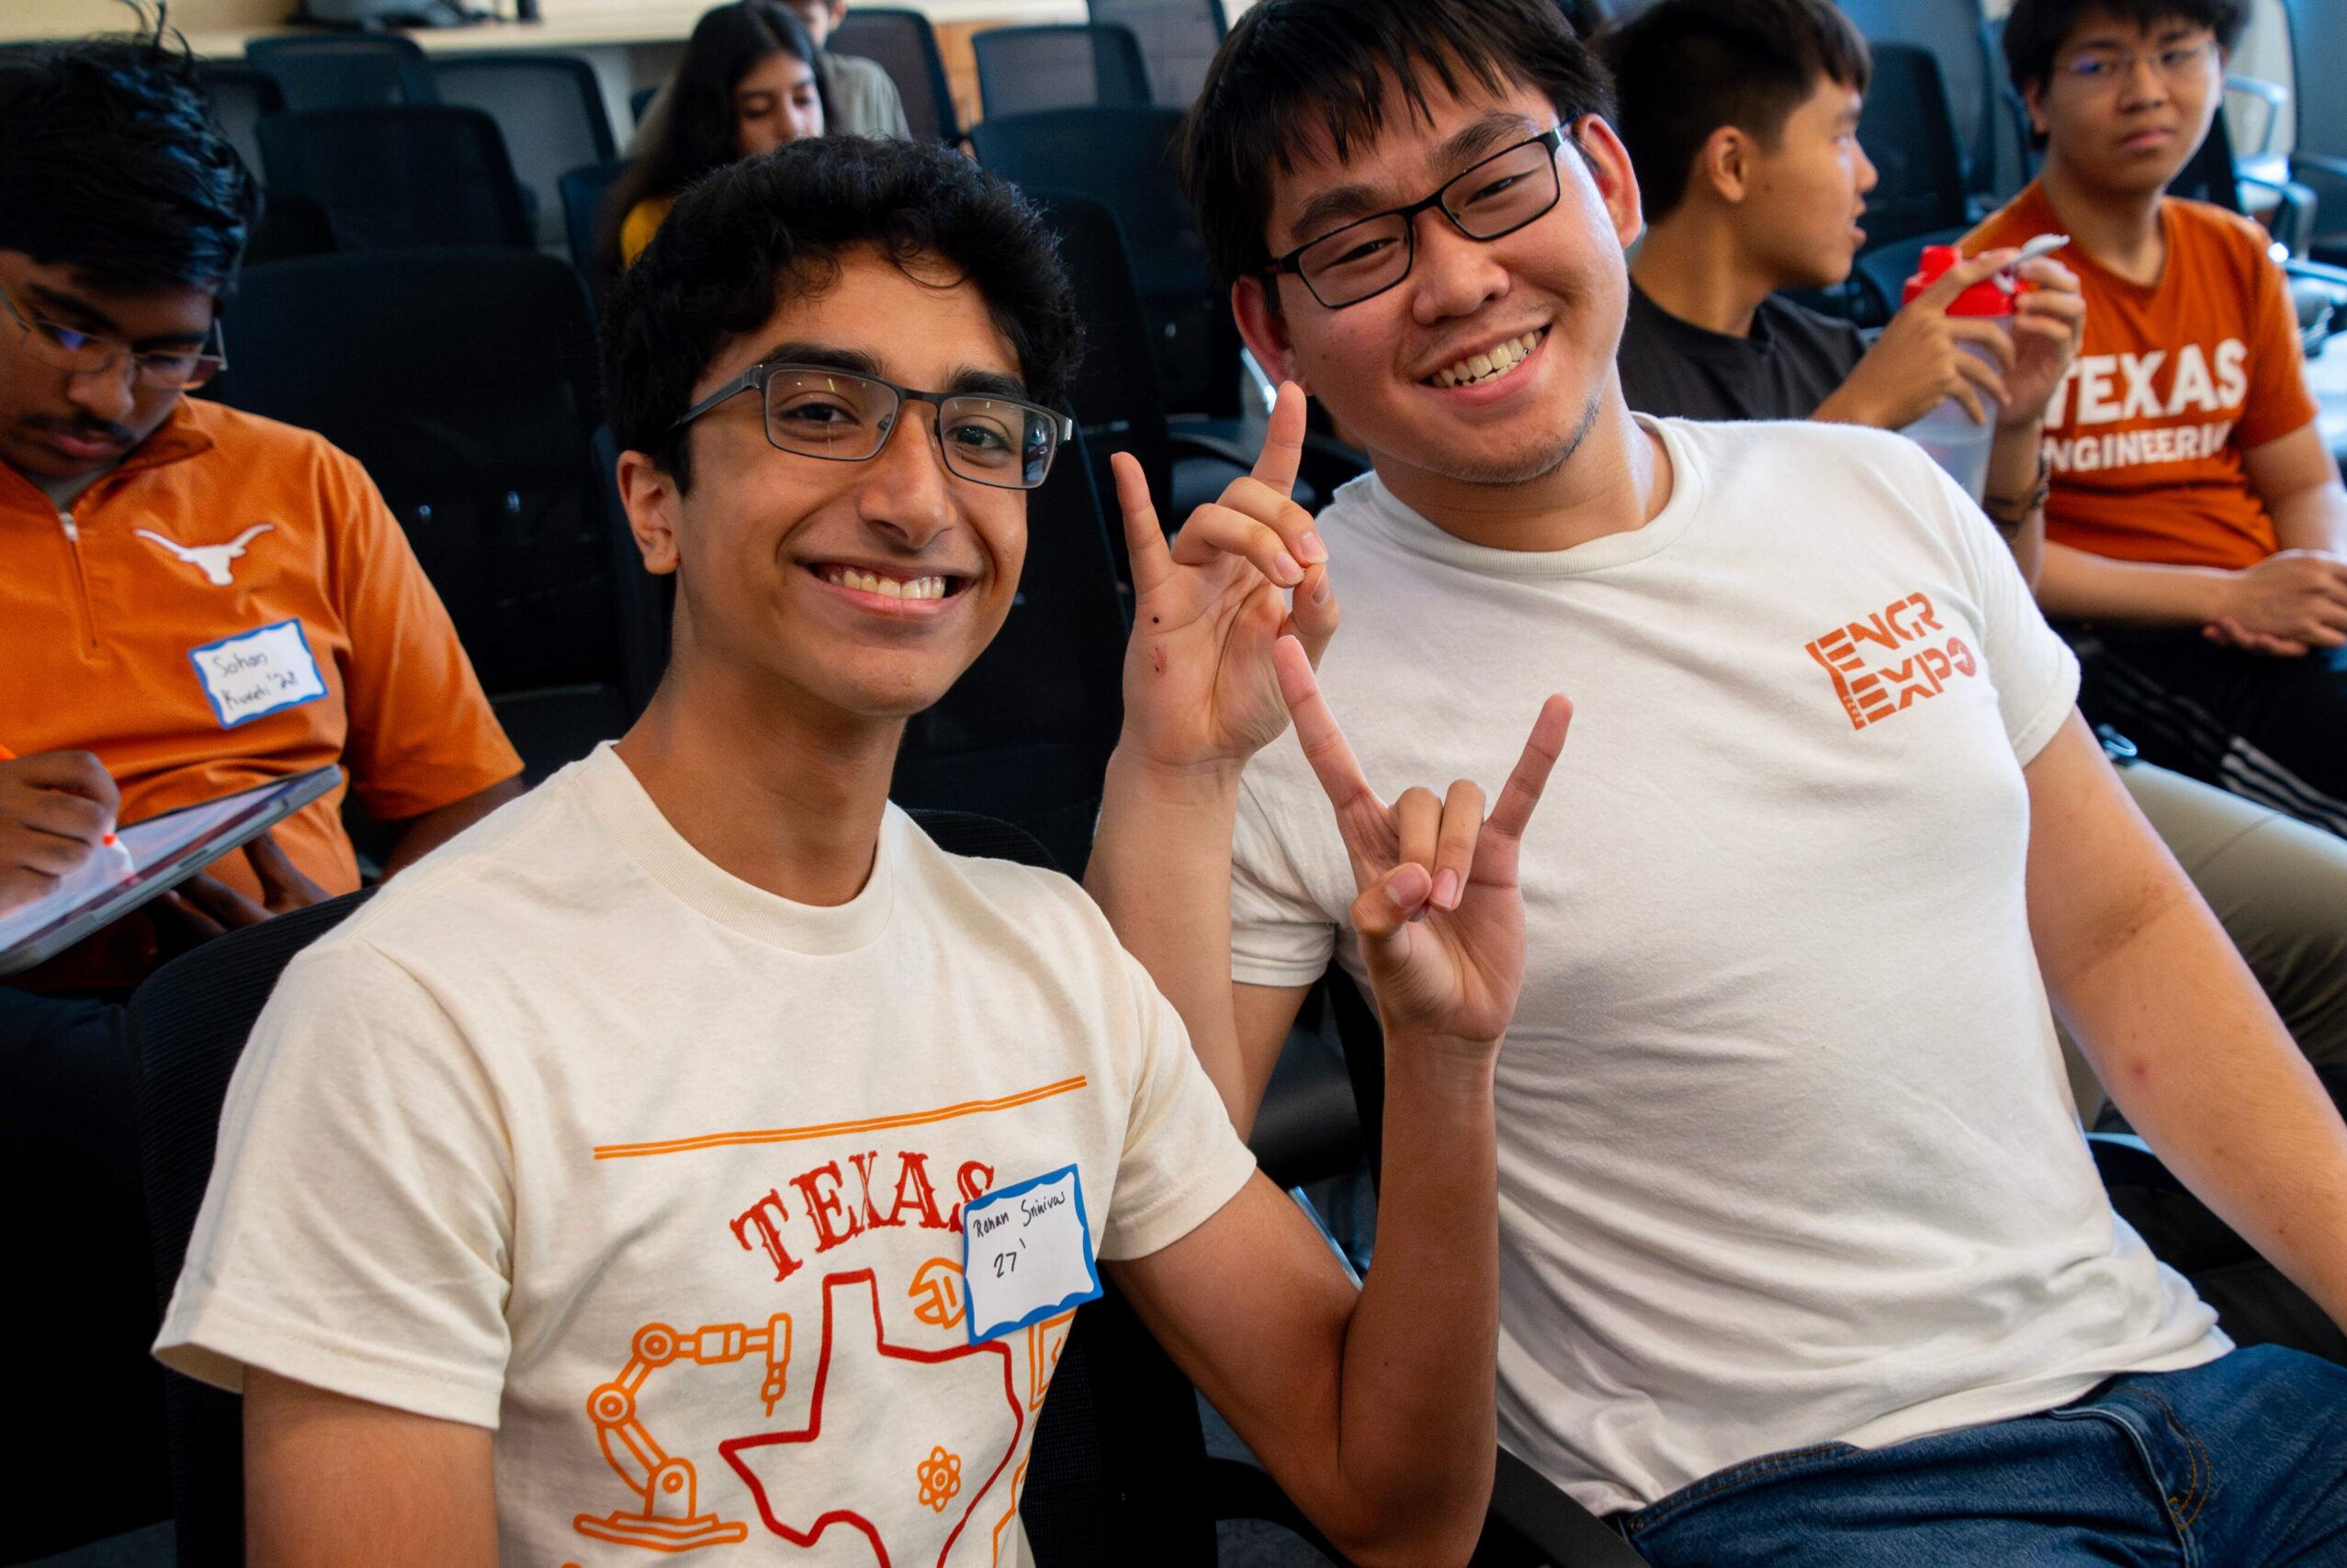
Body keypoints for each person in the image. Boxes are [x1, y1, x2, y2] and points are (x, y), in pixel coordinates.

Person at [156, 135, 1556, 1565]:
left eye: (981, 431)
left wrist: (1442, 1065)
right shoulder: (413, 1017)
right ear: (652, 500)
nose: (916, 496)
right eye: (820, 409)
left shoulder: (1053, 955)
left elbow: (1402, 1509)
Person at [1087, 0, 2347, 1559]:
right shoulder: (1277, 663)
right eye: (1358, 248)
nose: (1461, 276)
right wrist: (1171, 770)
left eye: (1499, 186)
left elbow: (2122, 938)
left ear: (1609, 181)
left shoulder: (1879, 490)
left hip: (2200, 1390)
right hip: (1818, 1491)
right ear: (1271, 334)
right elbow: (1171, 1175)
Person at [1600, 0, 2347, 1100]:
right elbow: (1680, 632)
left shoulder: (1825, 344)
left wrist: (2017, 426)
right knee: (2059, 1058)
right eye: (1844, 134)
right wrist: (1863, 411)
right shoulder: (1620, 387)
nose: (1871, 176)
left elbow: (2001, 591)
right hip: (1874, 828)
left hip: (2020, 759)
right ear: (1730, 163)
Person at [0, 28, 522, 1559]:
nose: (112, 393)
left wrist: (378, 926)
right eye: (67, 325)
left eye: (172, 351)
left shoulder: (298, 484)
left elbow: (464, 808)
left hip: (298, 986)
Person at [1967, 0, 2347, 841]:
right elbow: (1986, 556)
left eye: (2178, 54)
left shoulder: (2236, 252)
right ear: (2035, 99)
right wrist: (2235, 595)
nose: (2148, 92)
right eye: (2102, 65)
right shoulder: (1989, 282)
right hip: (2138, 644)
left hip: (2275, 611)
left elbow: (2306, 477)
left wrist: (2316, 574)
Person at [604, 0, 831, 272]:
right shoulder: (658, 224)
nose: (792, 126)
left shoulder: (841, 203)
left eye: (803, 99)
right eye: (757, 110)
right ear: (712, 123)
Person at [784, 0, 916, 141]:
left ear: (836, 12)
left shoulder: (865, 82)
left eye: (803, 20)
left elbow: (899, 159)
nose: (788, 34)